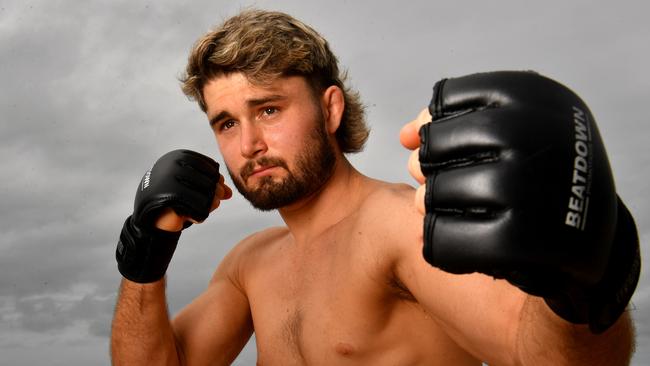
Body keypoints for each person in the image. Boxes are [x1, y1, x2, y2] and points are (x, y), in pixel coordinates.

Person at [110, 9, 640, 365]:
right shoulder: (250, 264)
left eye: (268, 109)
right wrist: (146, 254)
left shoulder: (399, 227)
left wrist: (587, 279)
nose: (248, 144)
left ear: (330, 108)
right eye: (226, 123)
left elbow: (539, 352)